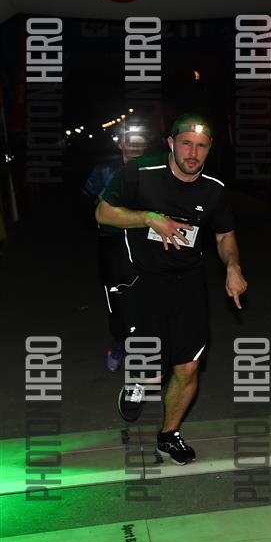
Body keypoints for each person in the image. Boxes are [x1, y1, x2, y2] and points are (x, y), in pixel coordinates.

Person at [96, 113, 247, 465]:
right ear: (170, 143)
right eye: (186, 144)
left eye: (201, 146)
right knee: (151, 369)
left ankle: (169, 435)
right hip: (140, 280)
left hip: (188, 283)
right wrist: (149, 218)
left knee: (188, 367)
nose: (193, 153)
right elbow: (102, 213)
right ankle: (139, 380)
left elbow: (224, 235)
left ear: (210, 148)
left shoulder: (214, 189)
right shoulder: (139, 173)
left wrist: (233, 266)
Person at [82, 119, 155, 371]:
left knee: (149, 293)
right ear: (121, 143)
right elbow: (86, 202)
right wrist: (102, 217)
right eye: (129, 141)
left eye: (139, 141)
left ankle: (150, 344)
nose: (134, 146)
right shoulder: (105, 170)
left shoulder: (155, 169)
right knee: (116, 293)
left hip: (146, 241)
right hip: (112, 242)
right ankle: (120, 341)